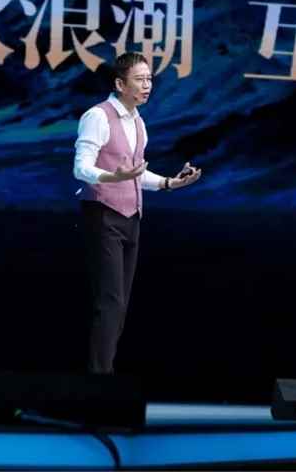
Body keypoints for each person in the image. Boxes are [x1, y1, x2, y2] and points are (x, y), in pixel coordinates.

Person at [73, 52, 203, 374]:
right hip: (102, 213)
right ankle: (99, 380)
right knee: (110, 301)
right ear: (120, 84)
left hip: (131, 217)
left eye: (149, 79)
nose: (147, 86)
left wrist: (169, 183)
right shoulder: (98, 116)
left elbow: (136, 173)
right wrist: (111, 177)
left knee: (120, 304)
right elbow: (81, 168)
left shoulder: (138, 122)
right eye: (140, 80)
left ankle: (103, 374)